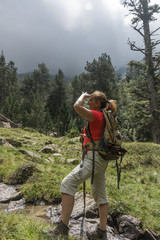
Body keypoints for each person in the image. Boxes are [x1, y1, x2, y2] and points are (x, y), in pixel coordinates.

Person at [44, 91, 117, 240]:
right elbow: (97, 135)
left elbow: (77, 106)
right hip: (101, 161)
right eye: (87, 100)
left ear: (97, 103)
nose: (88, 103)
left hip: (93, 159)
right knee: (101, 195)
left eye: (90, 101)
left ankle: (62, 228)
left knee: (67, 184)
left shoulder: (96, 114)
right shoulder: (103, 115)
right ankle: (101, 232)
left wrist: (82, 96)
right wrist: (86, 137)